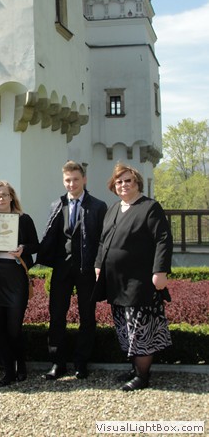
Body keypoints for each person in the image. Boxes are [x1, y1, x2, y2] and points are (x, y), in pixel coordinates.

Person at [94, 163, 173, 391]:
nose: (123, 185)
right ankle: (135, 369)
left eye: (128, 180)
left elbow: (163, 240)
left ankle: (142, 376)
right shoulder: (113, 209)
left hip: (139, 281)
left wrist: (160, 271)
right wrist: (98, 265)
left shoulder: (149, 207)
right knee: (125, 327)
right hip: (117, 282)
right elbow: (103, 241)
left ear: (137, 182)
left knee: (140, 329)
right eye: (119, 181)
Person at [37, 161, 107, 379]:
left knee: (87, 316)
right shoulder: (56, 205)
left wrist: (98, 264)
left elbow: (103, 240)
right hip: (61, 268)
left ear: (84, 179)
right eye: (68, 180)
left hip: (87, 268)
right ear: (63, 180)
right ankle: (57, 363)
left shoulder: (98, 206)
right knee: (57, 314)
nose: (72, 184)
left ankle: (81, 362)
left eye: (76, 179)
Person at [0, 181, 39, 386]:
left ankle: (20, 364)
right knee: (0, 326)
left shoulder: (24, 219)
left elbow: (35, 245)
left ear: (12, 197)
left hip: (15, 275)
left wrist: (23, 248)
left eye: (5, 195)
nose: (1, 199)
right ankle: (8, 371)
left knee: (14, 327)